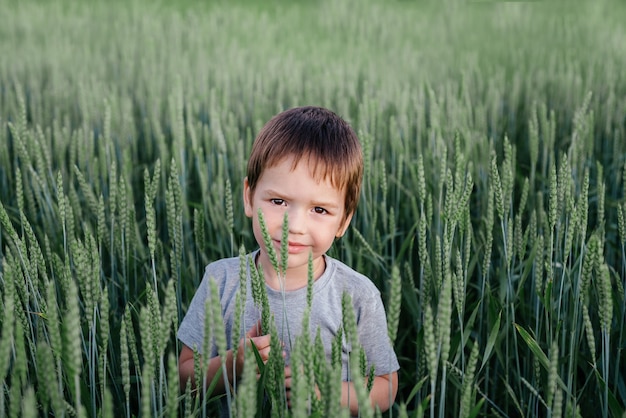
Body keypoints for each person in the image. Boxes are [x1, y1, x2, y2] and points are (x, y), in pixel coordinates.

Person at [177, 106, 399, 415]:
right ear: (248, 197)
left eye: (319, 209)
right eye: (278, 201)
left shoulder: (357, 295)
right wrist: (234, 364)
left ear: (343, 221)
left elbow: (385, 387)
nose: (294, 224)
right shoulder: (221, 281)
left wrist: (327, 392)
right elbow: (183, 377)